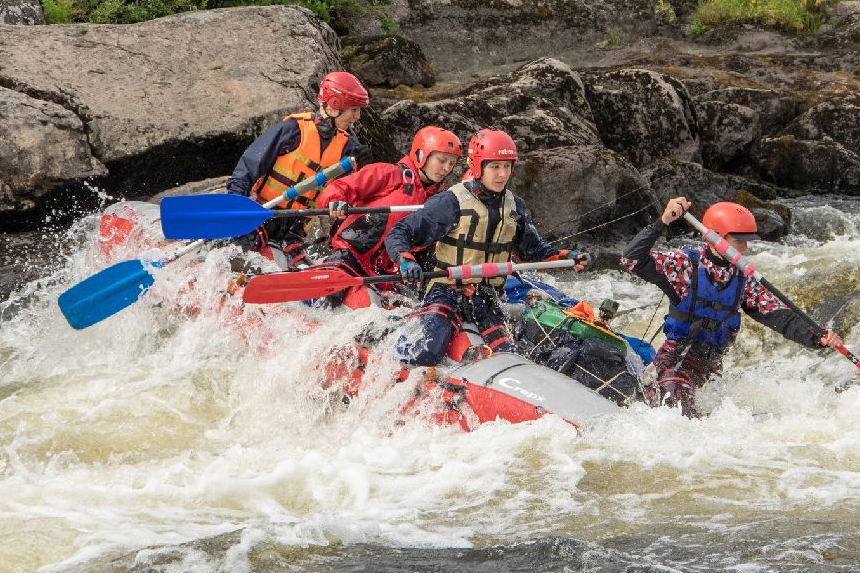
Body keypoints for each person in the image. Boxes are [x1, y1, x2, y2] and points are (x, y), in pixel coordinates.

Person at [622, 196, 846, 417]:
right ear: (715, 237)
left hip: (706, 373)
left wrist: (816, 337)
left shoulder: (744, 279)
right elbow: (631, 260)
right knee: (679, 405)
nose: (745, 247)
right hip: (672, 366)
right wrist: (663, 222)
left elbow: (779, 316)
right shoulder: (685, 266)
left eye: (747, 240)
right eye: (739, 240)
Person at [383, 129, 590, 365]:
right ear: (478, 166)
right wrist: (405, 259)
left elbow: (533, 251)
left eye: (507, 166)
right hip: (446, 292)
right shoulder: (450, 201)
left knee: (509, 358)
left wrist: (569, 256)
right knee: (426, 351)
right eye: (495, 167)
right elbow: (401, 232)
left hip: (486, 299)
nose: (502, 174)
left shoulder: (515, 206)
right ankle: (394, 348)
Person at [309, 125, 464, 307]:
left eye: (452, 164)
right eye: (442, 160)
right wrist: (335, 201)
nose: (446, 168)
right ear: (422, 155)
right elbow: (340, 187)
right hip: (350, 256)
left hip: (387, 274)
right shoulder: (389, 173)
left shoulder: (440, 200)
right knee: (328, 296)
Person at [226, 71, 374, 257]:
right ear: (336, 105)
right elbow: (248, 167)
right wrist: (237, 206)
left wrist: (365, 169)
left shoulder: (349, 148)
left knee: (296, 266)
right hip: (262, 214)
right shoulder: (292, 130)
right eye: (354, 109)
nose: (358, 116)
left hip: (295, 230)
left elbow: (357, 192)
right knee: (240, 256)